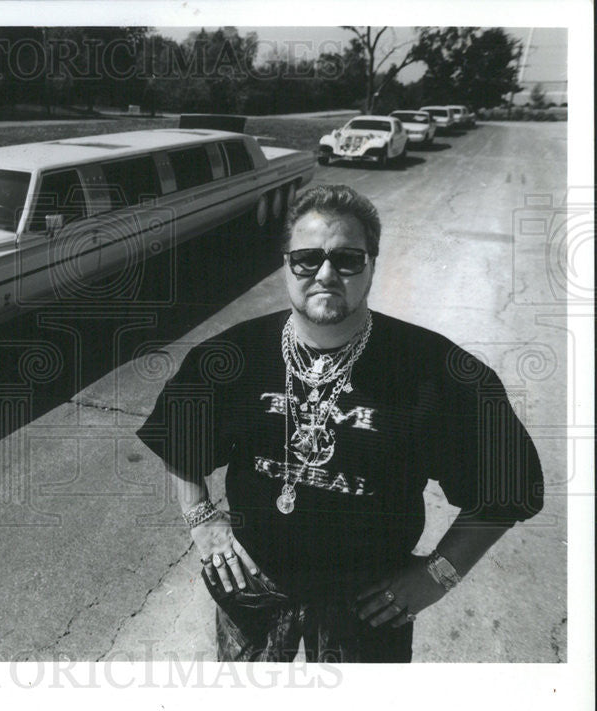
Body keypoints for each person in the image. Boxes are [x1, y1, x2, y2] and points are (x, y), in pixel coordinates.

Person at [136, 184, 544, 662]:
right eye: (307, 258)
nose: (326, 273)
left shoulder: (436, 369)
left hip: (370, 602)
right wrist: (201, 519)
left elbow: (509, 487)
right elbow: (179, 439)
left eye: (348, 259)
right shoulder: (231, 356)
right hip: (253, 584)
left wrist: (438, 576)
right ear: (285, 263)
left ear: (372, 263)